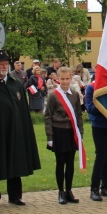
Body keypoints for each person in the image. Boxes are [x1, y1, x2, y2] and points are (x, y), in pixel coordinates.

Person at [0, 50, 41, 208]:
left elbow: (22, 109)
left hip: (15, 131)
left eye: (6, 64)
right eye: (0, 64)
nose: (4, 66)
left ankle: (15, 196)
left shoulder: (15, 83)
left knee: (15, 162)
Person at [44, 66, 84, 204]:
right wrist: (49, 137)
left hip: (71, 132)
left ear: (71, 78)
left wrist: (80, 133)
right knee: (60, 162)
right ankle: (60, 191)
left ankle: (69, 190)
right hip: (58, 131)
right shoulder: (53, 95)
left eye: (67, 78)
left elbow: (78, 115)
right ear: (57, 79)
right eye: (62, 79)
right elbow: (47, 116)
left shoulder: (74, 95)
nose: (65, 81)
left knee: (70, 162)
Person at [84, 76, 107, 201]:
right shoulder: (91, 88)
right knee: (101, 155)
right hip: (98, 125)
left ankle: (105, 186)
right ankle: (94, 188)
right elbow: (89, 107)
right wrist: (104, 106)